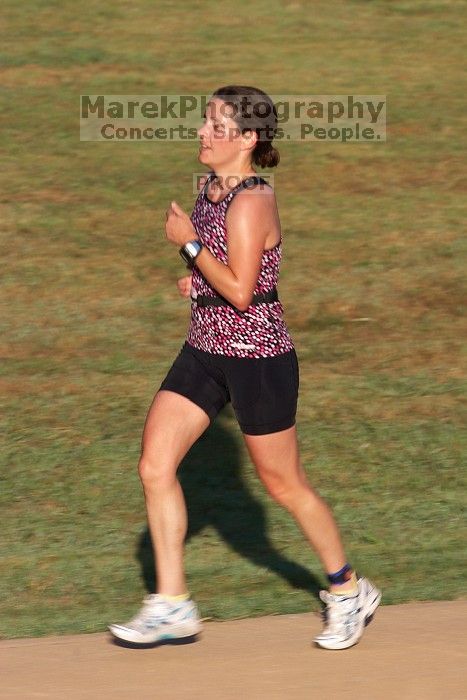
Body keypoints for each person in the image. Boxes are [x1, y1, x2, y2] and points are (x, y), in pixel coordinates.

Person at [109, 85, 381, 651]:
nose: (203, 132)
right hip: (206, 350)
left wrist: (188, 248)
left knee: (283, 484)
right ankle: (173, 605)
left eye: (217, 125)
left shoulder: (252, 201)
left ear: (248, 139)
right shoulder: (209, 188)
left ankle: (348, 589)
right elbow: (232, 277)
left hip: (258, 360)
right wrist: (197, 279)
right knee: (154, 465)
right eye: (205, 121)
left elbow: (239, 291)